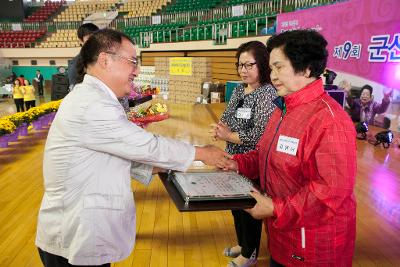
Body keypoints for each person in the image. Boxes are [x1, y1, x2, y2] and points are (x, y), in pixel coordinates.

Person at [35, 29, 228, 267]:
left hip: (82, 228)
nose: (136, 71)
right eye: (133, 62)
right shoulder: (92, 104)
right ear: (105, 60)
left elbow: (112, 154)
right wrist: (203, 153)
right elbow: (145, 146)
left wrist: (156, 166)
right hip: (74, 235)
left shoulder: (96, 98)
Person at [218, 30, 357, 267]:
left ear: (306, 69)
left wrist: (275, 207)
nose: (273, 76)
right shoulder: (283, 108)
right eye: (271, 68)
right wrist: (238, 162)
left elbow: (329, 193)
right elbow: (266, 153)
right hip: (283, 233)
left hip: (314, 247)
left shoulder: (330, 121)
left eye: (279, 67)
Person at [210, 41, 276, 267]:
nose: (243, 70)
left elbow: (259, 135)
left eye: (249, 65)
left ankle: (250, 253)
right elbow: (228, 117)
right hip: (233, 159)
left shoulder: (267, 93)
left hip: (251, 162)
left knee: (249, 206)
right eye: (240, 65)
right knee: (236, 204)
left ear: (263, 65)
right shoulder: (239, 89)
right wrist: (220, 129)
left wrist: (229, 136)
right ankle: (243, 243)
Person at [68, 22, 99, 90]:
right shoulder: (75, 64)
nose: (93, 40)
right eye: (89, 38)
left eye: (95, 37)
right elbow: (74, 91)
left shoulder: (102, 58)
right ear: (81, 40)